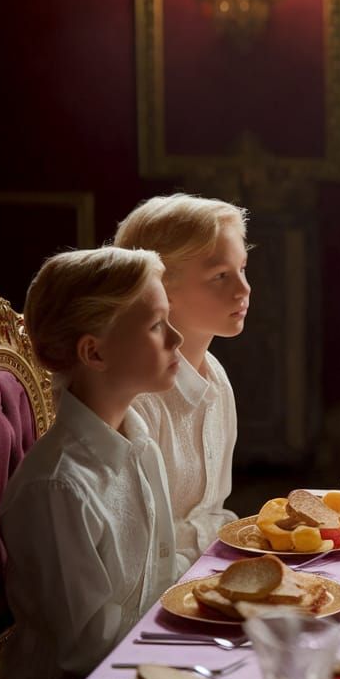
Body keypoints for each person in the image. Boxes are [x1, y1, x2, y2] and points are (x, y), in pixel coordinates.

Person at [0, 247, 182, 679]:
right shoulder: (58, 487)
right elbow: (88, 651)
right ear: (94, 352)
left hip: (142, 675)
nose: (177, 337)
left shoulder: (140, 444)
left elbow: (160, 580)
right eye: (157, 324)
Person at [114, 194, 250, 566]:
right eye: (220, 276)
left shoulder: (216, 378)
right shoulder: (137, 399)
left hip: (209, 568)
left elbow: (211, 516)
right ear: (160, 288)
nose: (243, 289)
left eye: (243, 268)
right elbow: (133, 549)